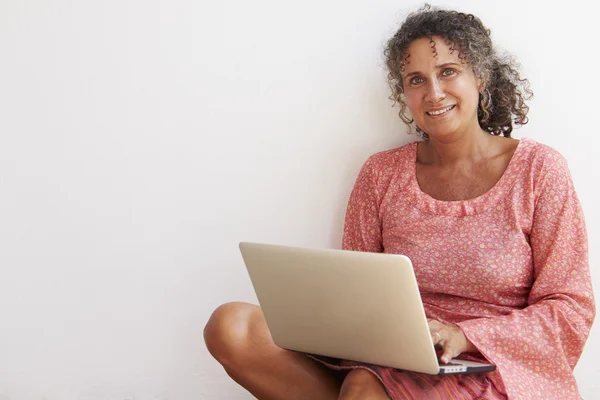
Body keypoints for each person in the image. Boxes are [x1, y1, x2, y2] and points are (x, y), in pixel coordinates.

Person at [203, 5, 596, 399]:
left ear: (480, 76)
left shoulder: (539, 170)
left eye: (448, 71)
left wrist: (462, 336)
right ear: (403, 93)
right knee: (231, 326)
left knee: (363, 388)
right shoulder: (380, 174)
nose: (434, 93)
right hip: (387, 354)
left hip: (486, 367)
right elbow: (353, 287)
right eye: (416, 79)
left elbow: (570, 308)